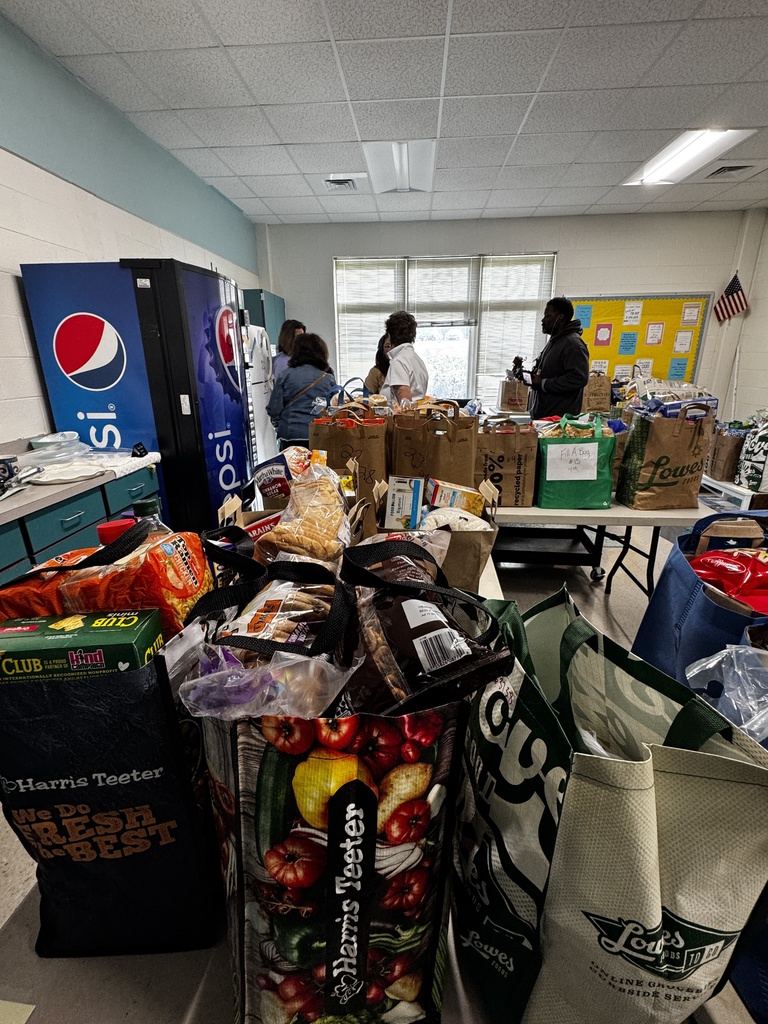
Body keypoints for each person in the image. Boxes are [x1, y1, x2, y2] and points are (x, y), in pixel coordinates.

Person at [515, 297, 589, 418]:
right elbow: (543, 375)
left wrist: (544, 383)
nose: (543, 320)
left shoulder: (573, 344)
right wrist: (521, 372)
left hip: (557, 422)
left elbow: (578, 378)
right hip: (543, 418)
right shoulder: (555, 342)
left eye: (548, 316)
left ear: (560, 318)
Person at [266, 332, 335, 445]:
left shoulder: (285, 375)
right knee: (319, 463)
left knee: (293, 462)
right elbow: (333, 410)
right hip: (319, 434)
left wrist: (280, 424)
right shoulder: (327, 378)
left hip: (290, 434)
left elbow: (274, 408)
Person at [381, 310, 428, 403]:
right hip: (418, 415)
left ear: (390, 335)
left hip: (402, 417)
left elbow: (405, 404)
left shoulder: (398, 361)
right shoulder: (417, 360)